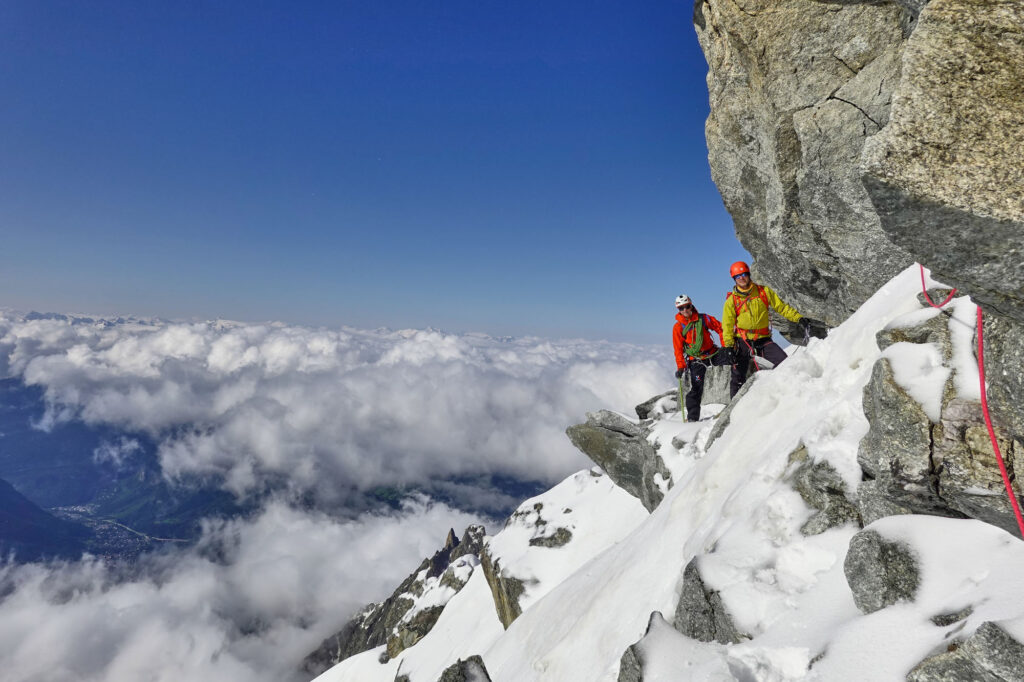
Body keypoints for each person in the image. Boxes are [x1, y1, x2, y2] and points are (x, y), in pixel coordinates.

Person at [721, 261, 810, 397]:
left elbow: (781, 307)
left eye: (744, 274)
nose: (742, 278)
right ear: (734, 279)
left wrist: (798, 318)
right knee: (738, 375)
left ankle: (788, 395)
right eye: (738, 276)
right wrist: (728, 347)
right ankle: (734, 407)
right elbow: (727, 325)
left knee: (784, 363)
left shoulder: (763, 291)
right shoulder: (732, 301)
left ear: (749, 274)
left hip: (763, 339)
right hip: (743, 341)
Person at [673, 294, 731, 422]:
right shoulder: (678, 327)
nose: (685, 310)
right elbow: (678, 349)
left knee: (733, 360)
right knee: (697, 386)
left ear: (691, 305)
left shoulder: (703, 318)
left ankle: (738, 399)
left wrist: (726, 346)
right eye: (681, 308)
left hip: (712, 354)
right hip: (696, 360)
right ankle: (692, 418)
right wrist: (681, 367)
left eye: (687, 306)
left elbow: (721, 328)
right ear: (678, 310)